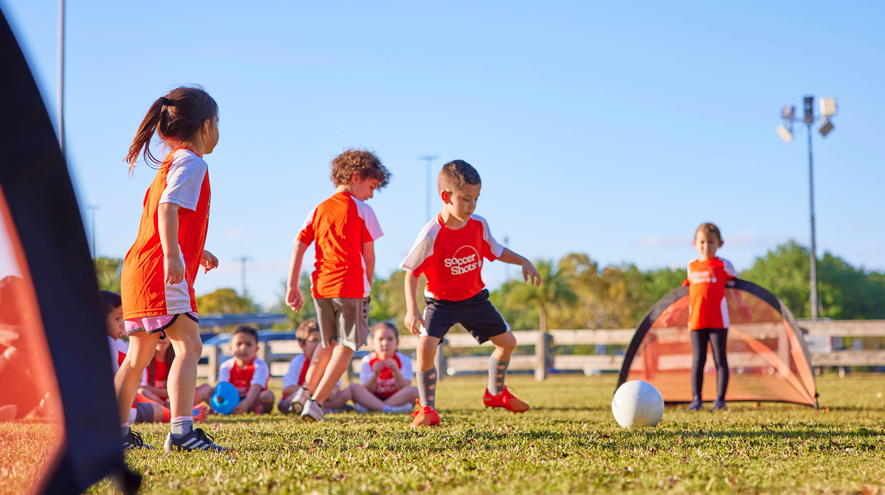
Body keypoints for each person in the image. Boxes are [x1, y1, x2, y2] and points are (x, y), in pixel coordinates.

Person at [116, 86, 224, 451]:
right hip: (161, 272)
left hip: (140, 270)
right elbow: (166, 210)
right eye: (219, 123)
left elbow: (167, 214)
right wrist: (175, 254)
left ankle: (113, 437)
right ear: (207, 126)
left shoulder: (172, 162)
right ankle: (181, 434)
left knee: (136, 358)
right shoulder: (193, 162)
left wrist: (196, 249)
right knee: (189, 345)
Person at [401, 160, 541, 427]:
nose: (472, 206)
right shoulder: (431, 234)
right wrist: (412, 308)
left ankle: (495, 393)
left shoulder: (479, 225)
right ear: (446, 196)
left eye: (476, 199)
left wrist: (523, 260)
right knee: (425, 347)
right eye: (466, 199)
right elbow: (411, 273)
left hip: (475, 300)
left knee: (507, 343)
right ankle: (427, 409)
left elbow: (496, 250)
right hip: (440, 303)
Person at [285, 149, 390, 422]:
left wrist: (292, 286)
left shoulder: (318, 209)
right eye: (371, 186)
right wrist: (368, 287)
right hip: (352, 286)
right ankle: (317, 403)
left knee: (327, 342)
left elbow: (299, 244)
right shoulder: (363, 210)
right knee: (347, 346)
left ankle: (305, 392)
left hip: (321, 288)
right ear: (356, 177)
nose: (370, 194)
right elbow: (369, 256)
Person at [100, 290, 208, 425]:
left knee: (144, 398)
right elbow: (117, 385)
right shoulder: (108, 343)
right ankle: (185, 416)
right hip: (115, 410)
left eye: (123, 318)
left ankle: (181, 412)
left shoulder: (117, 344)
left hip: (103, 407)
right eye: (117, 319)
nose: (122, 324)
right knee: (155, 409)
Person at [682, 222, 736, 412]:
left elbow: (736, 290)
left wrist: (743, 306)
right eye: (702, 242)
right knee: (698, 360)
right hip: (696, 321)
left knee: (720, 360)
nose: (706, 246)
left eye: (711, 242)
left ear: (719, 243)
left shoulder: (724, 265)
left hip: (718, 321)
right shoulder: (691, 266)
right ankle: (696, 400)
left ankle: (720, 400)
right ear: (695, 243)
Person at [278, 319, 351, 414]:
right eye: (314, 340)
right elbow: (287, 388)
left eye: (322, 340)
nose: (320, 345)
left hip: (323, 397)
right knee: (293, 398)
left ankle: (319, 407)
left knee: (349, 392)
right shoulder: (298, 361)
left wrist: (331, 392)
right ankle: (312, 407)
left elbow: (336, 384)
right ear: (302, 345)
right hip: (304, 395)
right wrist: (314, 389)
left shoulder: (331, 360)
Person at [349, 322, 418, 414]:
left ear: (397, 343)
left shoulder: (404, 360)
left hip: (397, 398)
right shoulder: (367, 361)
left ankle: (374, 408)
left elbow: (405, 387)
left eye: (390, 339)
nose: (385, 343)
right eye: (380, 339)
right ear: (373, 343)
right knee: (352, 388)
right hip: (373, 397)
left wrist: (396, 371)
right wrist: (375, 375)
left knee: (414, 391)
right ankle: (391, 409)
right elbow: (366, 390)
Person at [138, 337, 213, 408]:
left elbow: (188, 388)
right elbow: (141, 388)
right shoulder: (145, 359)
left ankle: (217, 409)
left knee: (206, 388)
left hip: (176, 400)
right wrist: (168, 393)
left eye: (166, 333)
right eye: (158, 332)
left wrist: (168, 394)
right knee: (142, 392)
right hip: (156, 400)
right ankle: (170, 409)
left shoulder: (178, 356)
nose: (162, 337)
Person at [217, 326, 274, 415]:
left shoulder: (260, 365)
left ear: (256, 349)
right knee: (207, 391)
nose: (243, 348)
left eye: (248, 344)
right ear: (231, 348)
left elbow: (256, 387)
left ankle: (257, 409)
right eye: (239, 344)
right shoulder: (226, 366)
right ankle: (226, 409)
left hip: (253, 399)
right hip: (231, 399)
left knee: (268, 396)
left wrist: (247, 402)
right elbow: (223, 387)